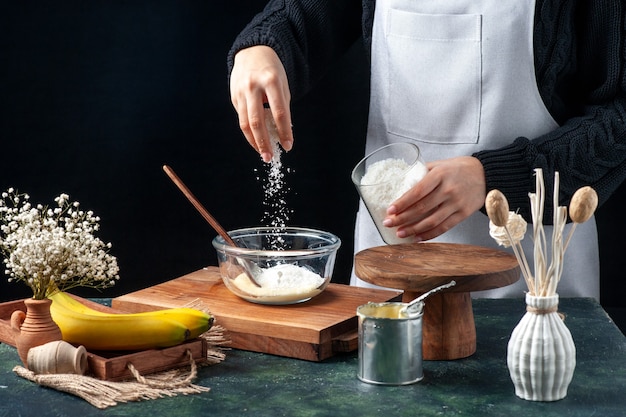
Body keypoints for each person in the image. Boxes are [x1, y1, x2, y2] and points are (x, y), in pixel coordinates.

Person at [227, 0, 626, 299]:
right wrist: (262, 49)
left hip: (535, 285)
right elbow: (301, 18)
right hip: (391, 279)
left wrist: (491, 178)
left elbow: (618, 119)